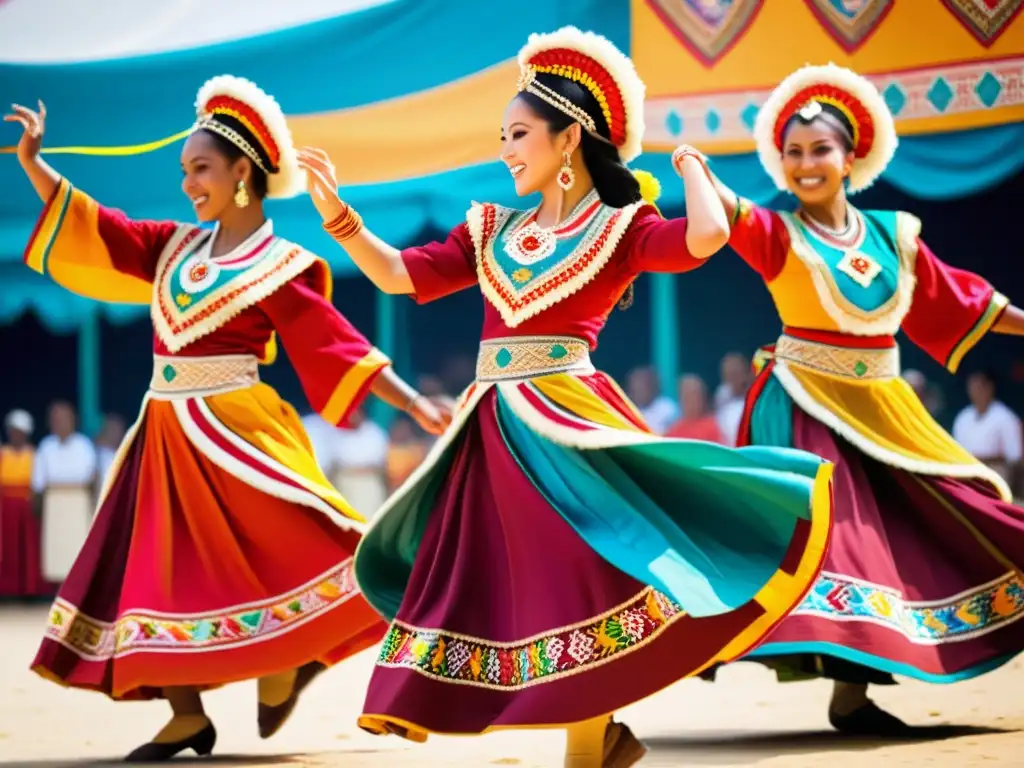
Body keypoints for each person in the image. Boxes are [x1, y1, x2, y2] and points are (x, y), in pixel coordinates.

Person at [299, 27, 834, 767]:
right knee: (523, 582)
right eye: (503, 136)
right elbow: (395, 274)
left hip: (570, 424)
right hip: (493, 431)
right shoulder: (489, 231)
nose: (506, 150)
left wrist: (692, 169)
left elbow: (704, 240)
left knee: (584, 573)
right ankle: (596, 739)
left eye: (518, 134)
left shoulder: (619, 227)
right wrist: (338, 216)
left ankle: (591, 744)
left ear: (569, 137)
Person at [5, 75, 448, 761]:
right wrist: (37, 164)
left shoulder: (281, 266)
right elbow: (103, 229)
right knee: (156, 572)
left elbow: (336, 344)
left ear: (243, 171)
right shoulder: (173, 248)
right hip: (162, 437)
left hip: (234, 432)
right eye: (184, 171)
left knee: (278, 550)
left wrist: (416, 403)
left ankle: (286, 661)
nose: (188, 184)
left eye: (200, 169)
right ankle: (187, 714)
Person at [699, 63, 1024, 734]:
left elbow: (962, 300)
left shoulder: (894, 237)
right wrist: (692, 167)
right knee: (844, 545)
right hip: (804, 409)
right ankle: (831, 688)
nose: (805, 164)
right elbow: (726, 216)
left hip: (881, 407)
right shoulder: (775, 233)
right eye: (792, 153)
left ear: (851, 157)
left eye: (820, 150)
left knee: (941, 519)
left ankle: (851, 699)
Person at [31, 400, 96, 583]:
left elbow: (92, 480)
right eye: (55, 419)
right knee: (56, 556)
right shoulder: (45, 447)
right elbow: (38, 484)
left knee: (78, 554)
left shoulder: (84, 446)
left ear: (73, 420)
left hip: (78, 506)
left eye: (63, 419)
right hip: (54, 508)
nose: (59, 423)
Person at [0, 409, 47, 599]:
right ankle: (7, 589)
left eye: (20, 431)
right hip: (6, 508)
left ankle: (29, 590)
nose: (16, 435)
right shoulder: (3, 453)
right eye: (13, 430)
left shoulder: (34, 454)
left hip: (27, 506)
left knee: (28, 549)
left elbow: (39, 483)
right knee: (7, 550)